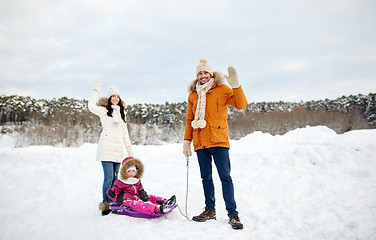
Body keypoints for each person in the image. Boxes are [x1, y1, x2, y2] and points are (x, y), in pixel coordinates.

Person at [182, 57, 248, 230]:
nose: (203, 76)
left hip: (218, 140)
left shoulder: (223, 89)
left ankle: (233, 214)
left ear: (211, 73)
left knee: (225, 178)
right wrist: (187, 142)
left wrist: (236, 85)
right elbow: (189, 120)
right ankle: (210, 210)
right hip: (200, 142)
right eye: (200, 73)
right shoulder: (193, 95)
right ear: (197, 75)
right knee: (206, 178)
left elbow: (241, 104)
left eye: (205, 72)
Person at [88, 80, 134, 216]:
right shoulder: (103, 111)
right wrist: (96, 89)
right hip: (106, 148)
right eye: (113, 96)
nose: (115, 98)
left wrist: (130, 150)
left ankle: (114, 202)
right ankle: (106, 204)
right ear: (109, 98)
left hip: (117, 150)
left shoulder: (122, 113)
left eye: (117, 97)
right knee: (108, 178)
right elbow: (90, 106)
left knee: (115, 179)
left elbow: (125, 134)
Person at [107, 157, 176, 215]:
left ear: (136, 171)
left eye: (133, 171)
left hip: (136, 197)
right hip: (125, 201)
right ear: (124, 172)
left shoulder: (137, 180)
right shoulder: (120, 182)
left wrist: (143, 195)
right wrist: (112, 194)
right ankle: (158, 208)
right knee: (140, 205)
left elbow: (140, 189)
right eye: (129, 171)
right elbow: (114, 194)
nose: (131, 173)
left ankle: (166, 201)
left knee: (150, 197)